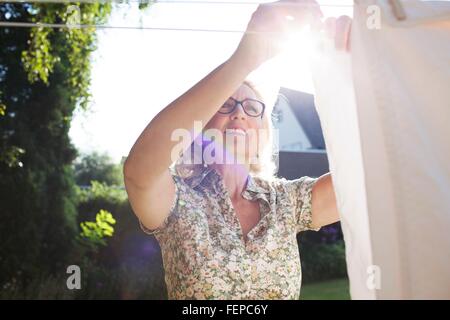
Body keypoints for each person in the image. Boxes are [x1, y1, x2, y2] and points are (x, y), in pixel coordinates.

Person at [123, 0, 351, 299]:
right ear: (198, 127)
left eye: (252, 107)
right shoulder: (178, 200)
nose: (239, 113)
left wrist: (353, 74)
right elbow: (139, 171)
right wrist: (247, 57)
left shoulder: (287, 202)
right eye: (226, 105)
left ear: (262, 133)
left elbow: (370, 179)